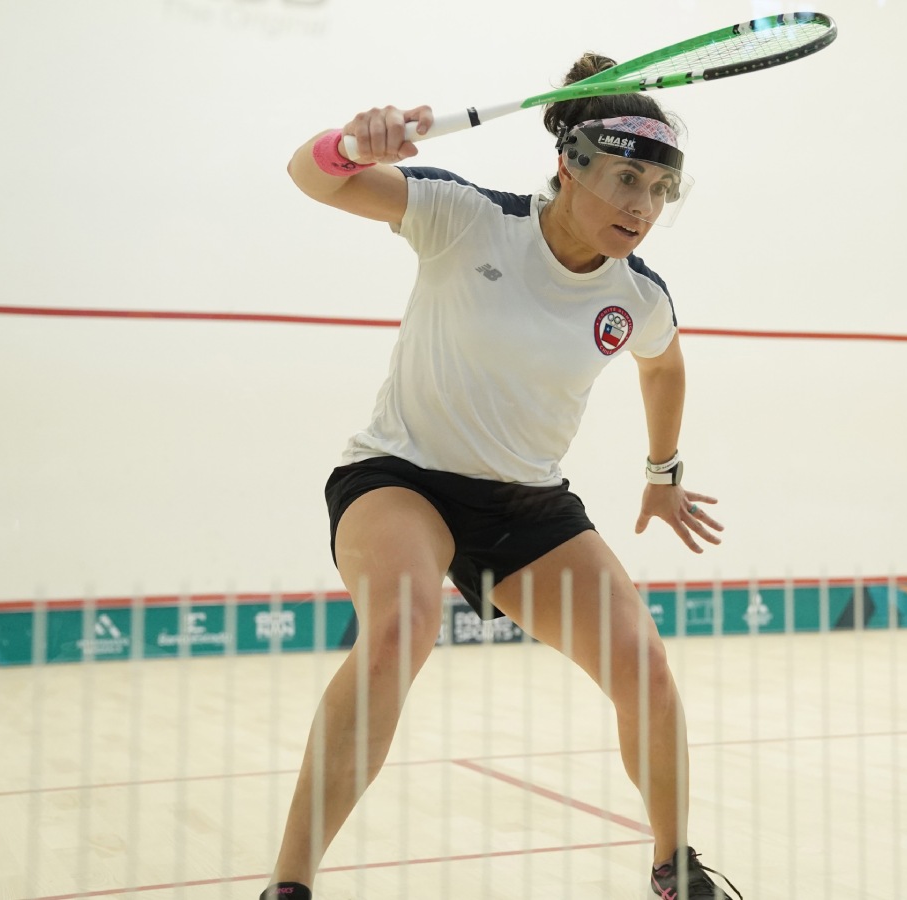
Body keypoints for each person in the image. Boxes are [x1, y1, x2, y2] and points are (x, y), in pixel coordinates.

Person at [261, 52, 740, 900]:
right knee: (401, 631)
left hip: (526, 503)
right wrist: (353, 143)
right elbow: (312, 177)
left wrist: (662, 473)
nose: (642, 205)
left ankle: (676, 870)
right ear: (569, 162)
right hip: (399, 475)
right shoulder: (462, 216)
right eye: (626, 177)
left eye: (660, 189)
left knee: (645, 667)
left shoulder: (639, 296)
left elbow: (662, 370)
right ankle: (289, 885)